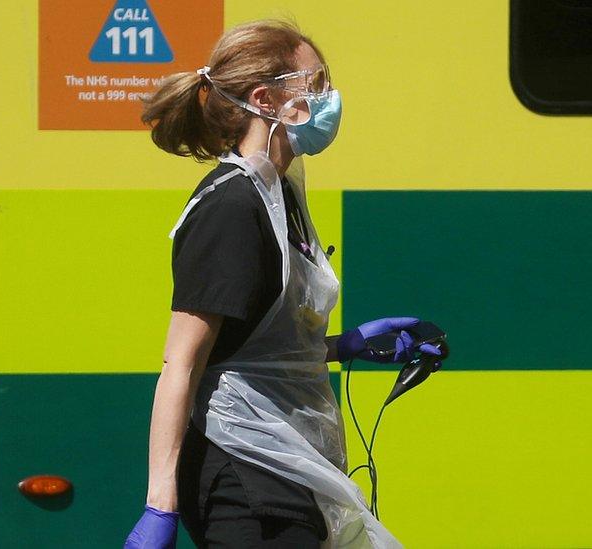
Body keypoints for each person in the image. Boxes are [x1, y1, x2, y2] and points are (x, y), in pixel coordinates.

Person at [124, 20, 443, 549]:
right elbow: (181, 362)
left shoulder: (281, 197)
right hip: (244, 471)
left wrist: (345, 346)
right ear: (265, 99)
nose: (328, 99)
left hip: (283, 461)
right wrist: (160, 505)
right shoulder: (232, 205)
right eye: (314, 85)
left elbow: (248, 345)